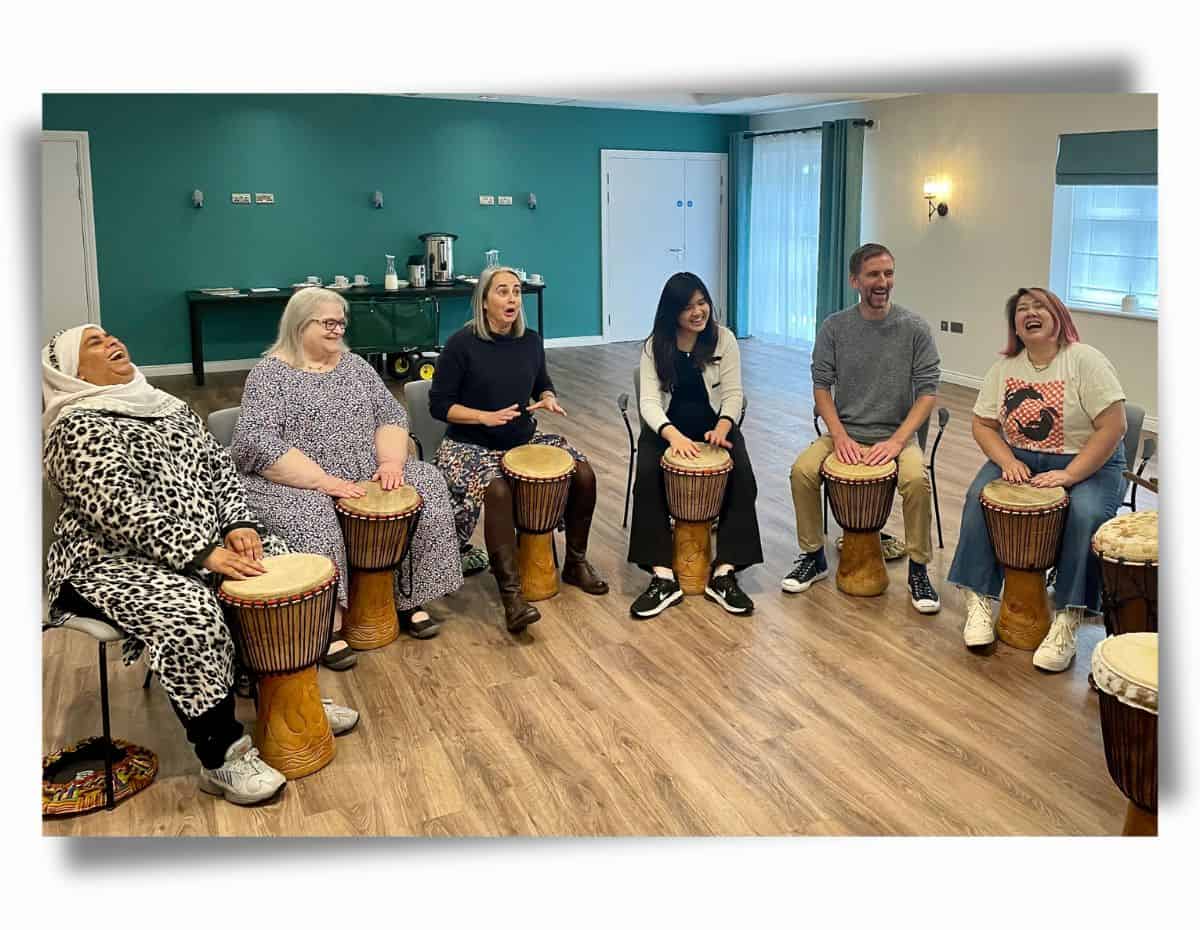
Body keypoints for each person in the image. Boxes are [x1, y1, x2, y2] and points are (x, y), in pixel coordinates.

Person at [42, 324, 359, 806]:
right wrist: (206, 555)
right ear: (69, 371)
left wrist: (238, 524)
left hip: (205, 544)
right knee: (189, 610)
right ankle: (223, 755)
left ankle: (291, 699)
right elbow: (119, 507)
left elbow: (220, 468)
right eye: (93, 343)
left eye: (109, 336)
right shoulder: (74, 425)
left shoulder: (166, 405)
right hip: (107, 563)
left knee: (283, 571)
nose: (110, 342)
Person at [231, 288, 463, 650]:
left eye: (341, 322)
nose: (338, 329)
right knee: (312, 515)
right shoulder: (269, 375)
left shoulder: (354, 365)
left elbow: (390, 414)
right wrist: (323, 481)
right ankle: (330, 621)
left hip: (363, 469)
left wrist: (389, 462)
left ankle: (409, 595)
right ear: (299, 324)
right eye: (328, 322)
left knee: (427, 484)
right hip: (297, 482)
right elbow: (255, 441)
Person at [948, 287, 1127, 671]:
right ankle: (978, 598)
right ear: (1015, 325)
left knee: (1086, 515)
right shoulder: (1005, 368)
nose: (1030, 313)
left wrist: (1070, 473)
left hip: (1090, 459)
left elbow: (1113, 427)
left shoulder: (1085, 361)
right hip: (1023, 455)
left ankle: (1069, 617)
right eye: (1021, 310)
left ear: (1057, 315)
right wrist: (1007, 461)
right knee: (979, 496)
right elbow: (982, 425)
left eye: (1039, 306)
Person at [428, 266, 608, 633]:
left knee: (583, 472)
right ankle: (512, 596)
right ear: (484, 300)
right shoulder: (461, 344)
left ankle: (575, 563)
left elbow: (543, 382)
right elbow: (439, 405)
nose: (512, 299)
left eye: (516, 292)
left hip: (521, 439)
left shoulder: (531, 340)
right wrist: (482, 417)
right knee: (497, 489)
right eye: (502, 292)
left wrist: (548, 398)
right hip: (469, 445)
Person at [783, 243, 943, 614]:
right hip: (845, 430)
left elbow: (928, 392)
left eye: (888, 273)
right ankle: (813, 556)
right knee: (802, 471)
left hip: (897, 435)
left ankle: (919, 568)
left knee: (917, 482)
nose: (882, 281)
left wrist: (899, 440)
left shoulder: (915, 328)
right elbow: (821, 385)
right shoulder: (835, 327)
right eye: (873, 274)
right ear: (855, 280)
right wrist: (838, 434)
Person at [627, 272, 762, 618]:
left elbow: (733, 393)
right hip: (667, 430)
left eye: (702, 303)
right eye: (688, 307)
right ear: (672, 312)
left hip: (714, 426)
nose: (698, 312)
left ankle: (725, 572)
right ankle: (662, 576)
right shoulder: (653, 346)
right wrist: (672, 435)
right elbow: (648, 404)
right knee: (647, 477)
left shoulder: (724, 340)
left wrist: (723, 425)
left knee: (743, 476)